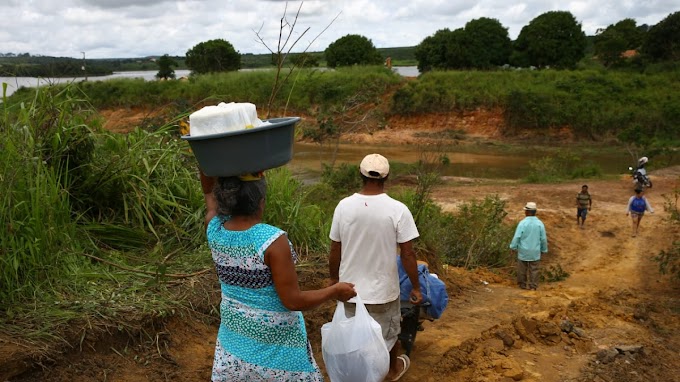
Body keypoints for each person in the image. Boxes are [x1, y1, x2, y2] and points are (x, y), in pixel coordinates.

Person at [199, 170, 357, 381]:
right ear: (260, 201)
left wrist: (207, 162)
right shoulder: (272, 240)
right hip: (277, 352)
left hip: (233, 347)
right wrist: (334, 291)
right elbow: (293, 300)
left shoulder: (215, 227)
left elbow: (208, 191)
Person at [328, 153, 423, 382]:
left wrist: (334, 282)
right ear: (386, 177)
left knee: (354, 336)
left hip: (351, 291)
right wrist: (416, 287)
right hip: (383, 292)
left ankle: (358, 373)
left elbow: (335, 249)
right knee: (388, 335)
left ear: (360, 175)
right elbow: (407, 254)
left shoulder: (344, 207)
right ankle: (389, 371)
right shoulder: (398, 209)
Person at [509, 202, 548, 291]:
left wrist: (513, 247)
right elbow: (543, 239)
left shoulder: (522, 223)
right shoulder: (540, 224)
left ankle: (522, 285)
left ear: (527, 212)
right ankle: (533, 286)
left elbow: (517, 236)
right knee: (534, 269)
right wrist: (544, 249)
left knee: (522, 269)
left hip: (523, 250)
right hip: (535, 251)